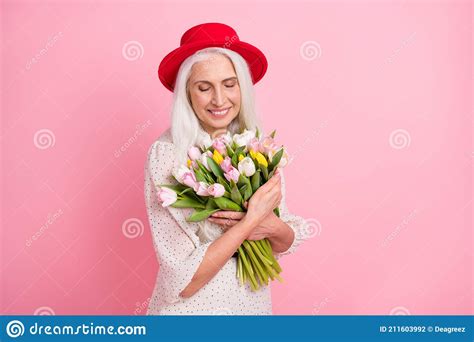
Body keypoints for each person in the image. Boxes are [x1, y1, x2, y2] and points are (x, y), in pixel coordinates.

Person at [145, 23, 308, 315]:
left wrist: (272, 226)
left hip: (252, 308)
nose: (220, 100)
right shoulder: (168, 153)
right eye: (204, 88)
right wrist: (251, 221)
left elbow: (282, 241)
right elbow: (183, 281)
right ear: (187, 93)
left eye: (229, 84)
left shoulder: (255, 147)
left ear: (242, 86)